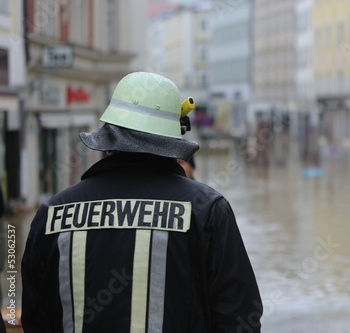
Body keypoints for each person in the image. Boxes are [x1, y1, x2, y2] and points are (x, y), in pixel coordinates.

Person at [21, 72, 262, 332]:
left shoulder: (53, 213)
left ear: (109, 138)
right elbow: (239, 319)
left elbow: (35, 317)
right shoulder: (206, 211)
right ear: (173, 140)